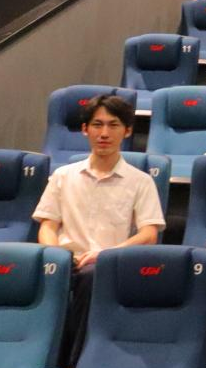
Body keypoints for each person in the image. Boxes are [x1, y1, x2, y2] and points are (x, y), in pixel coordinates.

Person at [34, 94, 164, 266]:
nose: (104, 134)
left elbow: (149, 235)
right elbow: (47, 228)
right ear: (85, 129)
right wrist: (59, 260)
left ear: (128, 131)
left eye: (113, 125)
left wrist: (105, 256)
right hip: (66, 264)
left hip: (110, 265)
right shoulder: (62, 175)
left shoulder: (142, 181)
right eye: (97, 125)